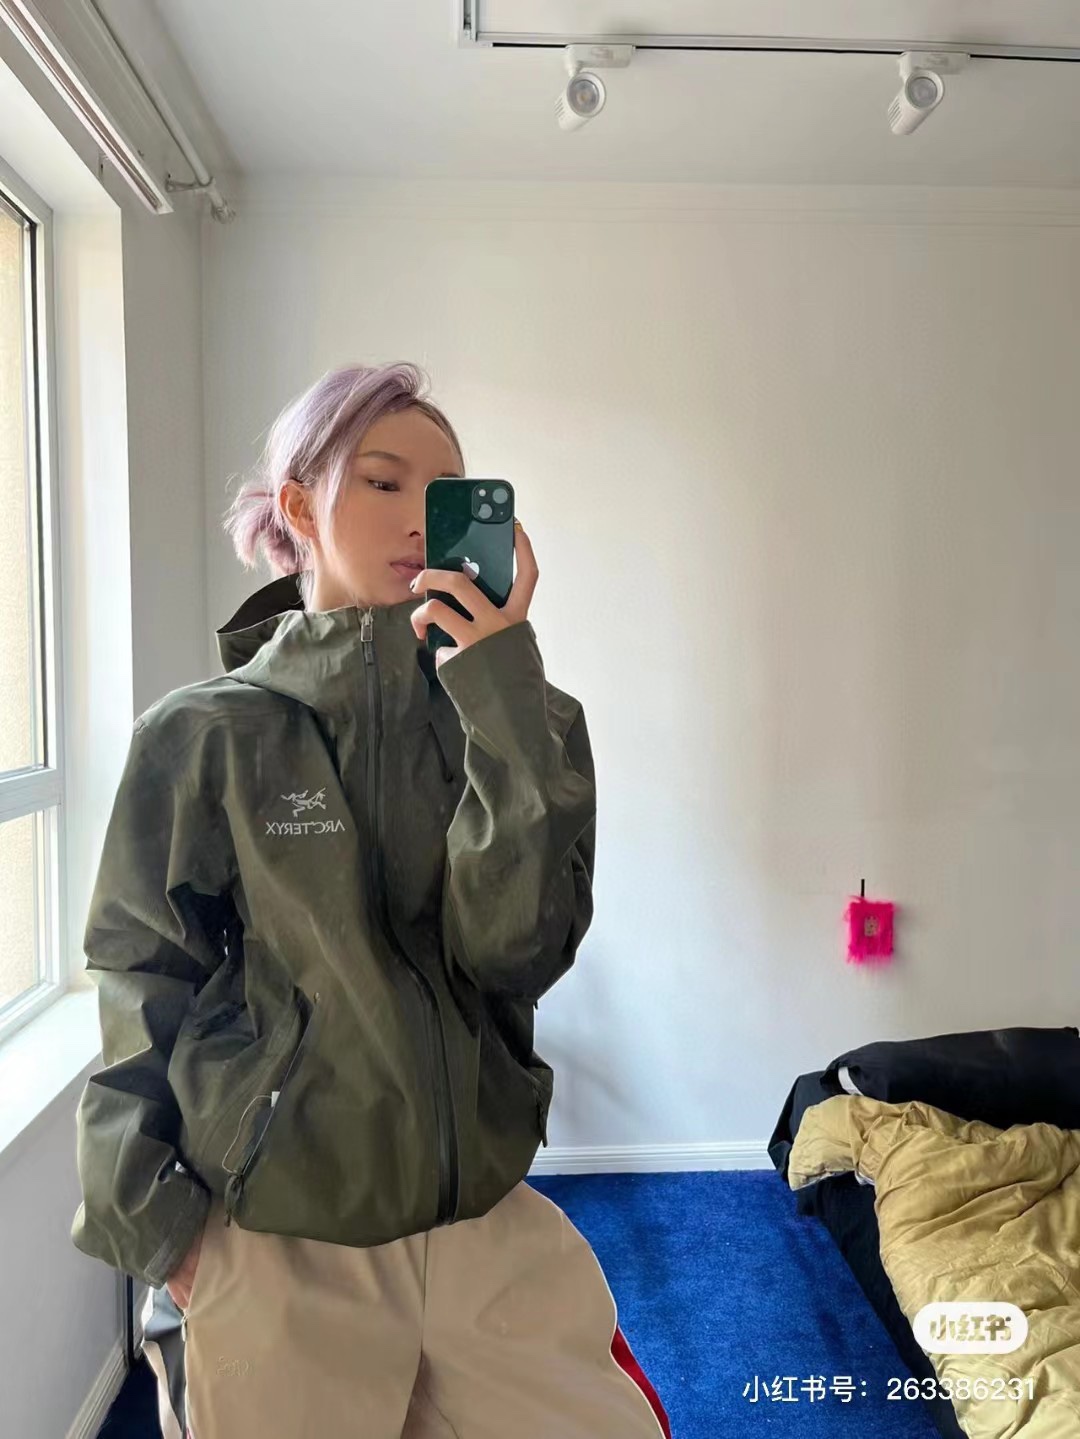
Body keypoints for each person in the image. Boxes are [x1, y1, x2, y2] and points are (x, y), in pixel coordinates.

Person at [70, 362, 671, 1439]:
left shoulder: (531, 721)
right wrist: (160, 1228)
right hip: (279, 1232)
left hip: (480, 1217)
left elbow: (517, 949)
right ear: (301, 506)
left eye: (447, 494)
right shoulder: (204, 733)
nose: (417, 521)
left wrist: (501, 690)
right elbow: (140, 972)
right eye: (385, 482)